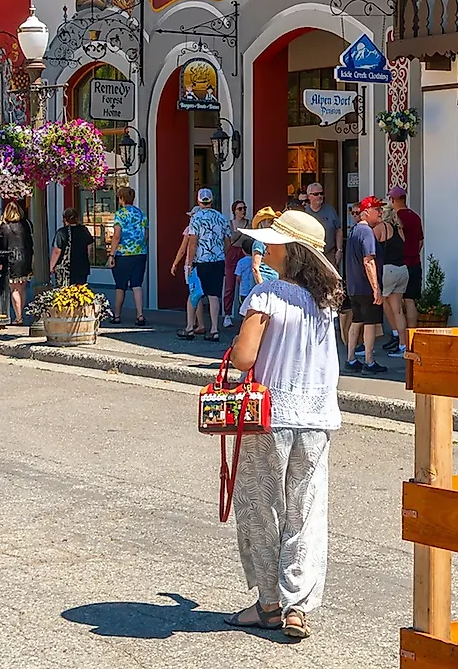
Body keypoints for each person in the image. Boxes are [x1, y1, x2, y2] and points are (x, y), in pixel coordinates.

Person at [224, 209, 343, 642]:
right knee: (305, 509)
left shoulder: (267, 295)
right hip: (317, 415)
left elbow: (244, 358)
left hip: (269, 412)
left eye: (271, 242)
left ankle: (269, 605)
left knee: (261, 507)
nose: (264, 247)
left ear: (289, 251)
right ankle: (299, 606)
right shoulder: (327, 299)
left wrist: (237, 343)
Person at [174, 189, 228, 341]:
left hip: (200, 261)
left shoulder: (196, 218)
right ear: (212, 200)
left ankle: (190, 327)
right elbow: (228, 242)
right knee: (214, 295)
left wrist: (190, 264)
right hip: (218, 261)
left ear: (199, 201)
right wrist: (220, 253)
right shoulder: (221, 218)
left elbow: (192, 243)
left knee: (194, 293)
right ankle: (214, 329)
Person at [343, 196, 383, 373]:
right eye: (377, 209)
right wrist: (376, 288)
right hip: (366, 286)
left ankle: (350, 358)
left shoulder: (353, 231)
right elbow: (369, 261)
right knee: (370, 323)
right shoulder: (366, 232)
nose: (380, 212)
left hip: (353, 285)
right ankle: (369, 360)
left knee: (357, 320)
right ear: (367, 212)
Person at [374, 199, 411, 356]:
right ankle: (403, 344)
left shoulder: (381, 228)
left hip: (387, 270)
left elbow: (370, 245)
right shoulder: (399, 229)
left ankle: (395, 334)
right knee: (398, 310)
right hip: (402, 269)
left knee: (382, 302)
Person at [108, 188, 148, 325]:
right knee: (137, 284)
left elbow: (117, 235)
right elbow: (146, 234)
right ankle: (140, 315)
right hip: (140, 253)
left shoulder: (120, 214)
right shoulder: (141, 213)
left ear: (122, 199)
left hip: (123, 254)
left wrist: (111, 254)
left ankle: (117, 315)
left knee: (120, 285)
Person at [0, 198, 35, 324]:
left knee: (14, 289)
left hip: (12, 260)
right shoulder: (27, 224)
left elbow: (0, 247)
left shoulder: (4, 227)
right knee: (22, 289)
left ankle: (18, 318)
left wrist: (0, 263)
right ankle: (20, 313)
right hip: (26, 259)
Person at [220, 199, 253, 330]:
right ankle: (227, 314)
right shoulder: (229, 224)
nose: (243, 211)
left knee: (247, 284)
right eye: (240, 209)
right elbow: (225, 241)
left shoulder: (249, 224)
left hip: (245, 254)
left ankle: (245, 313)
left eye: (244, 208)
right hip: (232, 254)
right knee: (229, 285)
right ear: (234, 211)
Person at [51, 204, 96, 289]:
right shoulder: (84, 230)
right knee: (80, 291)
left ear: (65, 219)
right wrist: (87, 258)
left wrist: (51, 266)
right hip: (81, 266)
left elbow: (57, 251)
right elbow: (89, 247)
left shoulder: (62, 232)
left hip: (65, 267)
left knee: (64, 292)